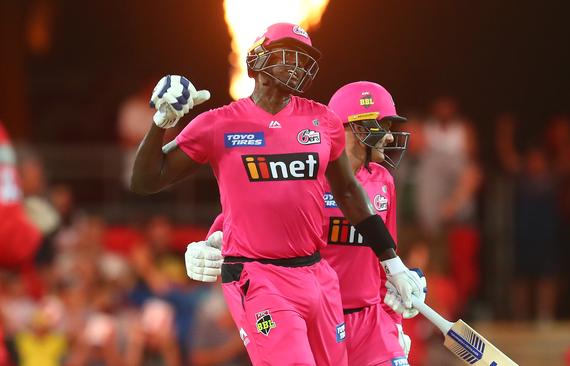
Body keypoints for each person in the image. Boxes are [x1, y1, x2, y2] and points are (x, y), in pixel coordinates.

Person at [130, 22, 421, 365]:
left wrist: (393, 262)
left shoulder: (323, 121)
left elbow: (347, 192)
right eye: (288, 54)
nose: (298, 64)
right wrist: (161, 124)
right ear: (257, 63)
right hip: (259, 276)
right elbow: (145, 180)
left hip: (316, 276)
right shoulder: (219, 124)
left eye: (304, 57)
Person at [188, 81, 426, 365]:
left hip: (370, 324)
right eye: (383, 126)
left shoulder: (383, 181)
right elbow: (241, 217)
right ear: (356, 127)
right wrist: (206, 243)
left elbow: (385, 263)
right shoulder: (305, 173)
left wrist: (395, 323)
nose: (389, 138)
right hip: (317, 320)